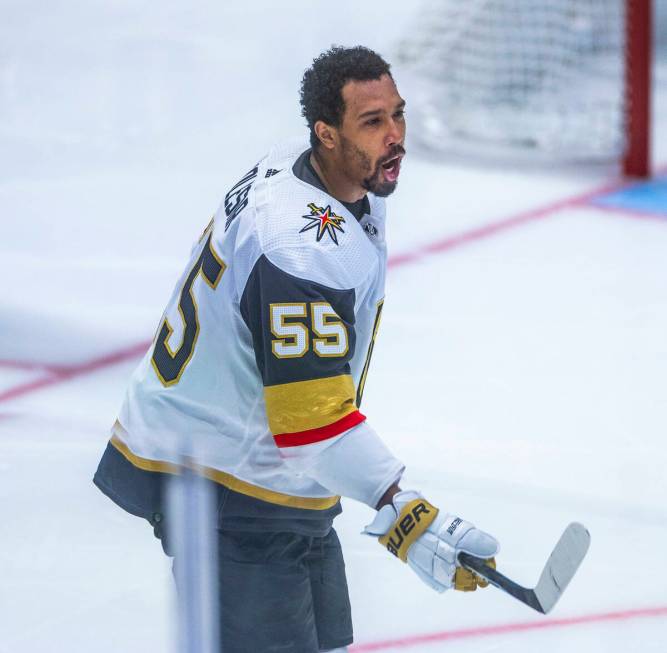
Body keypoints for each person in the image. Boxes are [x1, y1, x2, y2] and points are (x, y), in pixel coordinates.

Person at [93, 45, 499, 653]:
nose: (395, 136)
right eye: (373, 122)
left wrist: (395, 514)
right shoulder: (299, 247)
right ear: (326, 135)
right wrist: (403, 507)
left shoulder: (311, 173)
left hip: (266, 471)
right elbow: (310, 425)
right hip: (224, 485)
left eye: (398, 114)